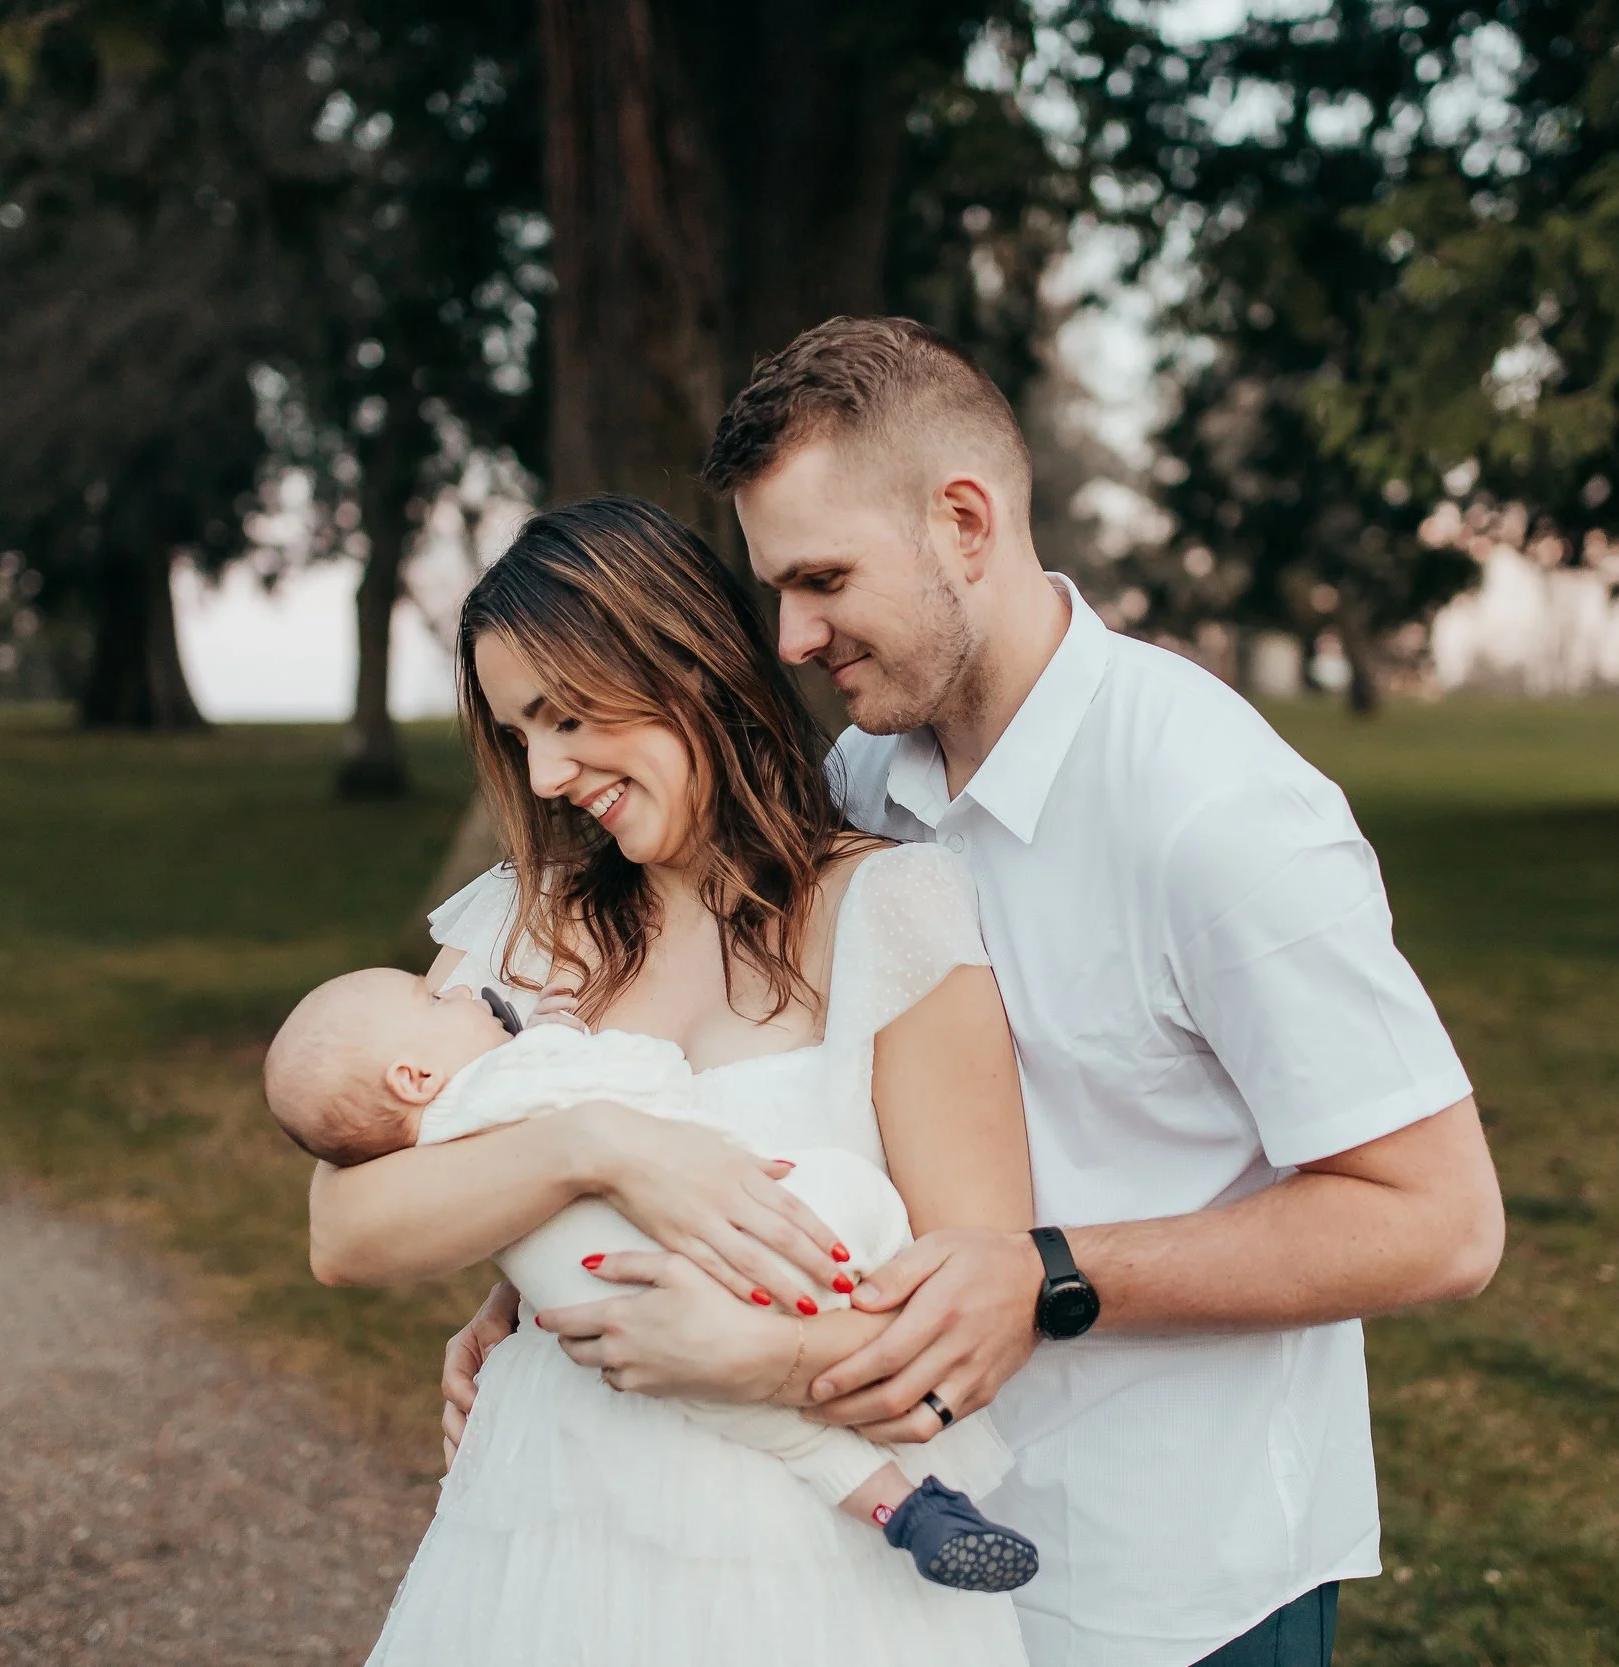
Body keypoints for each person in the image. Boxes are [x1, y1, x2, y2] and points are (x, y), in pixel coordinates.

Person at [447, 318, 1506, 1667]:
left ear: (964, 521)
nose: (792, 633)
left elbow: (1440, 1218)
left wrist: (1048, 1273)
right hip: (900, 1564)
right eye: (776, 587)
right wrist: (543, 1292)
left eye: (823, 579)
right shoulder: (858, 786)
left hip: (1176, 1581)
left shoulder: (1215, 812)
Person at [307, 494, 1039, 1665]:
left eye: (564, 716)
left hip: (817, 1573)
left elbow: (979, 1305)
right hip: (550, 1539)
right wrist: (593, 1147)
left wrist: (768, 1358)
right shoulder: (524, 921)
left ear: (682, 660)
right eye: (517, 735)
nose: (544, 772)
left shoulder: (889, 911)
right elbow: (344, 1227)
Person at [262, 964, 1040, 1591]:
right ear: (412, 1074)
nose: (464, 988)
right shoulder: (502, 1076)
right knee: (847, 1194)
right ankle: (891, 1390)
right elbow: (647, 1079)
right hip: (737, 1279)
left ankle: (905, 1509)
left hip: (629, 1349)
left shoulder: (433, 1140)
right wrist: (571, 1045)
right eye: (434, 998)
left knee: (795, 1443)